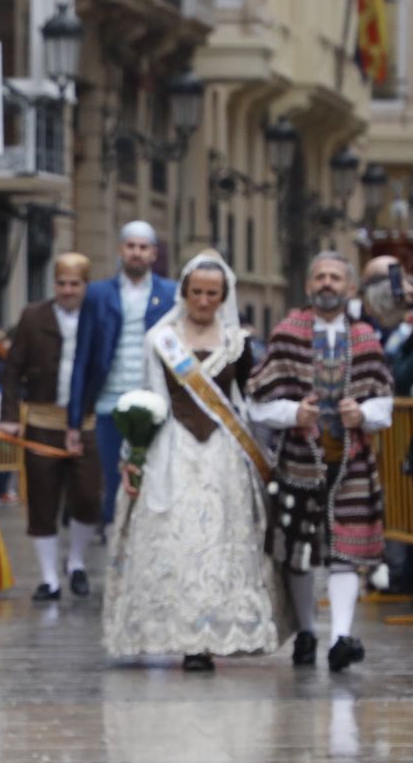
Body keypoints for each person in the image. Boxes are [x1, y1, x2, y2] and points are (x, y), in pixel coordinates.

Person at [102, 251, 290, 669]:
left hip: (221, 454)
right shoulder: (160, 338)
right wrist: (132, 456)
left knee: (219, 540)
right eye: (197, 293)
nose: (204, 301)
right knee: (176, 536)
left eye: (213, 294)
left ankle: (210, 636)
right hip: (171, 447)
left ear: (224, 296)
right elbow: (146, 396)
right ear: (184, 293)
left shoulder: (237, 343)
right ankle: (174, 632)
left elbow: (247, 399)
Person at [250, 252, 395, 672]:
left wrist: (362, 415)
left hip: (352, 460)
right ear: (309, 285)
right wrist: (293, 414)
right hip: (300, 458)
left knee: (345, 551)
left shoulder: (366, 337)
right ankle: (307, 633)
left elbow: (385, 400)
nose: (327, 283)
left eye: (335, 277)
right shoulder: (287, 333)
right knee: (298, 551)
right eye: (320, 277)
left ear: (350, 287)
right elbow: (258, 403)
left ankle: (340, 637)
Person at [0, 252, 101, 599]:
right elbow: (12, 370)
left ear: (85, 286)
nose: (68, 290)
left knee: (88, 496)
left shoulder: (99, 316)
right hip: (43, 419)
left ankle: (75, 563)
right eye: (62, 283)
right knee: (42, 499)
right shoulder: (33, 316)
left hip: (87, 421)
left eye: (75, 284)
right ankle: (49, 578)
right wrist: (11, 416)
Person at [67, 220, 178, 524]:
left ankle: (147, 534)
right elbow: (82, 358)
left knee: (152, 474)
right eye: (131, 246)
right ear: (120, 250)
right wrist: (73, 421)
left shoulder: (171, 294)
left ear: (154, 253)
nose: (136, 253)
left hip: (156, 402)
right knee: (115, 477)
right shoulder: (97, 294)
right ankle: (116, 534)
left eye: (143, 247)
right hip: (109, 404)